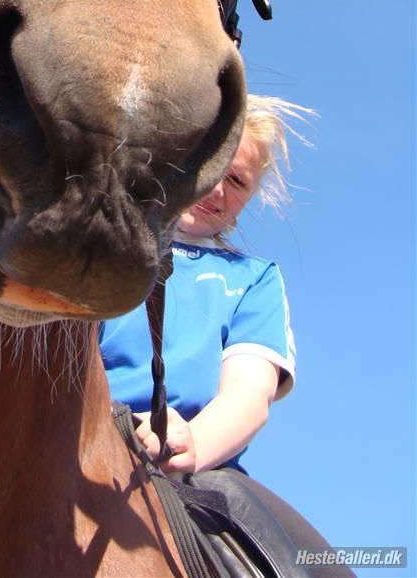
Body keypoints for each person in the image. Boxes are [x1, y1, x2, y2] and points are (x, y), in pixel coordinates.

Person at [101, 94, 354, 578]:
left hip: (199, 460)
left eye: (237, 181)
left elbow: (248, 395)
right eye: (207, 163)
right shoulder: (107, 246)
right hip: (87, 430)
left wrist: (191, 442)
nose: (217, 186)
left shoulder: (254, 280)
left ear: (244, 206)